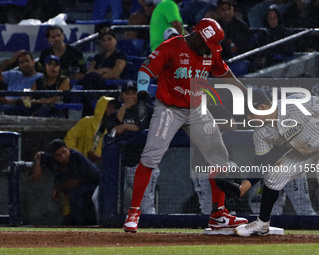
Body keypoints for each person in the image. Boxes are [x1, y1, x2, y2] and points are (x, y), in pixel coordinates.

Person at [123, 18, 249, 233]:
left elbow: (224, 73)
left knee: (219, 158)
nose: (210, 50)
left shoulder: (210, 51)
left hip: (197, 109)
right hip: (169, 108)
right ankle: (134, 213)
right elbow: (145, 70)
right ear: (198, 35)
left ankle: (218, 215)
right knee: (151, 156)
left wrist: (244, 93)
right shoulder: (172, 46)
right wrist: (143, 97)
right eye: (208, 44)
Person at [231, 88, 319, 239]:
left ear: (261, 107)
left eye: (249, 113)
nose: (248, 118)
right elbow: (261, 162)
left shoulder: (294, 103)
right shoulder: (261, 132)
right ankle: (262, 224)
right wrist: (243, 187)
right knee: (273, 177)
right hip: (305, 151)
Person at [105, 80, 160, 214]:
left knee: (146, 205)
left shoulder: (148, 111)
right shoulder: (115, 114)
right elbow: (112, 129)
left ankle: (152, 234)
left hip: (142, 164)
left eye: (134, 93)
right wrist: (123, 108)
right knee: (100, 199)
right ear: (122, 95)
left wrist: (124, 127)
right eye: (127, 93)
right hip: (120, 167)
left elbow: (141, 128)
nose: (131, 96)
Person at [32, 139, 100, 225]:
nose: (63, 156)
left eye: (64, 152)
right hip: (75, 187)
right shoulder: (52, 159)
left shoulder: (76, 157)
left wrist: (57, 187)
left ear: (68, 149)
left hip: (95, 184)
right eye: (58, 155)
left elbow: (74, 182)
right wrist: (37, 164)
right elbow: (39, 155)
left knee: (77, 195)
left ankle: (80, 225)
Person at [79, 27, 128, 117]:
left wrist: (98, 75)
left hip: (110, 89)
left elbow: (115, 73)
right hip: (94, 86)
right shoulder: (98, 57)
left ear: (115, 40)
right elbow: (89, 72)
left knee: (91, 80)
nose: (107, 42)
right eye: (104, 40)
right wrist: (104, 70)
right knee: (89, 83)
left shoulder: (120, 55)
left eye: (109, 39)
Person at [64, 96, 121, 164]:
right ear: (101, 106)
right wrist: (79, 156)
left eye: (114, 107)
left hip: (105, 165)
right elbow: (69, 139)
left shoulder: (117, 127)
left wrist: (100, 158)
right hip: (83, 163)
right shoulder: (86, 121)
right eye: (108, 106)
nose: (111, 109)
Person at [250, 5, 296, 71]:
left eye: (275, 17)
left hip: (280, 63)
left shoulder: (285, 32)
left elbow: (288, 50)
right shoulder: (264, 33)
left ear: (278, 18)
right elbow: (258, 48)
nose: (272, 20)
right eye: (270, 18)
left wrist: (269, 57)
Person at [0, 51, 43, 115]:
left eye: (27, 61)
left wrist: (9, 101)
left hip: (22, 109)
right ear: (19, 65)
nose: (25, 64)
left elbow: (29, 100)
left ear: (33, 62)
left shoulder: (41, 77)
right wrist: (10, 61)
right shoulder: (13, 74)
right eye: (21, 62)